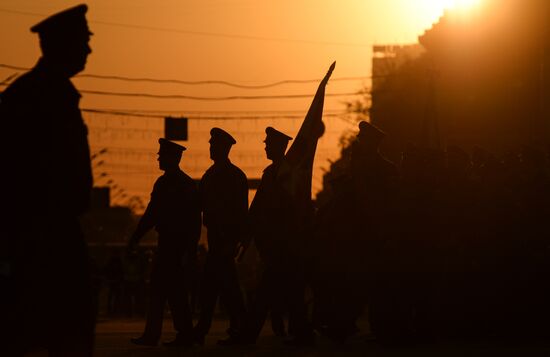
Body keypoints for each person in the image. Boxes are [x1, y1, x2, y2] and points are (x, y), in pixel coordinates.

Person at [1, 4, 95, 356]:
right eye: (84, 40)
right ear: (63, 44)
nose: (88, 49)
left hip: (42, 238)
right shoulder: (42, 96)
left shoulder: (41, 93)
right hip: (43, 240)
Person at [127, 138, 201, 347]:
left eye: (162, 155)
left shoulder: (185, 185)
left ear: (173, 158)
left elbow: (194, 221)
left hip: (176, 246)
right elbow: (151, 214)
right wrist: (136, 237)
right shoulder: (164, 183)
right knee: (162, 291)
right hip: (167, 243)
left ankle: (176, 334)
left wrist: (191, 250)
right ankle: (160, 334)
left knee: (171, 292)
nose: (158, 158)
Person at [192, 128, 248, 345]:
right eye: (210, 145)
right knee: (215, 285)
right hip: (215, 238)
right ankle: (209, 328)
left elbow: (240, 211)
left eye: (214, 146)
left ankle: (237, 328)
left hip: (225, 239)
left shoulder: (234, 176)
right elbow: (201, 205)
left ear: (224, 148)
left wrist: (235, 240)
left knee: (224, 287)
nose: (211, 148)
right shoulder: (210, 175)